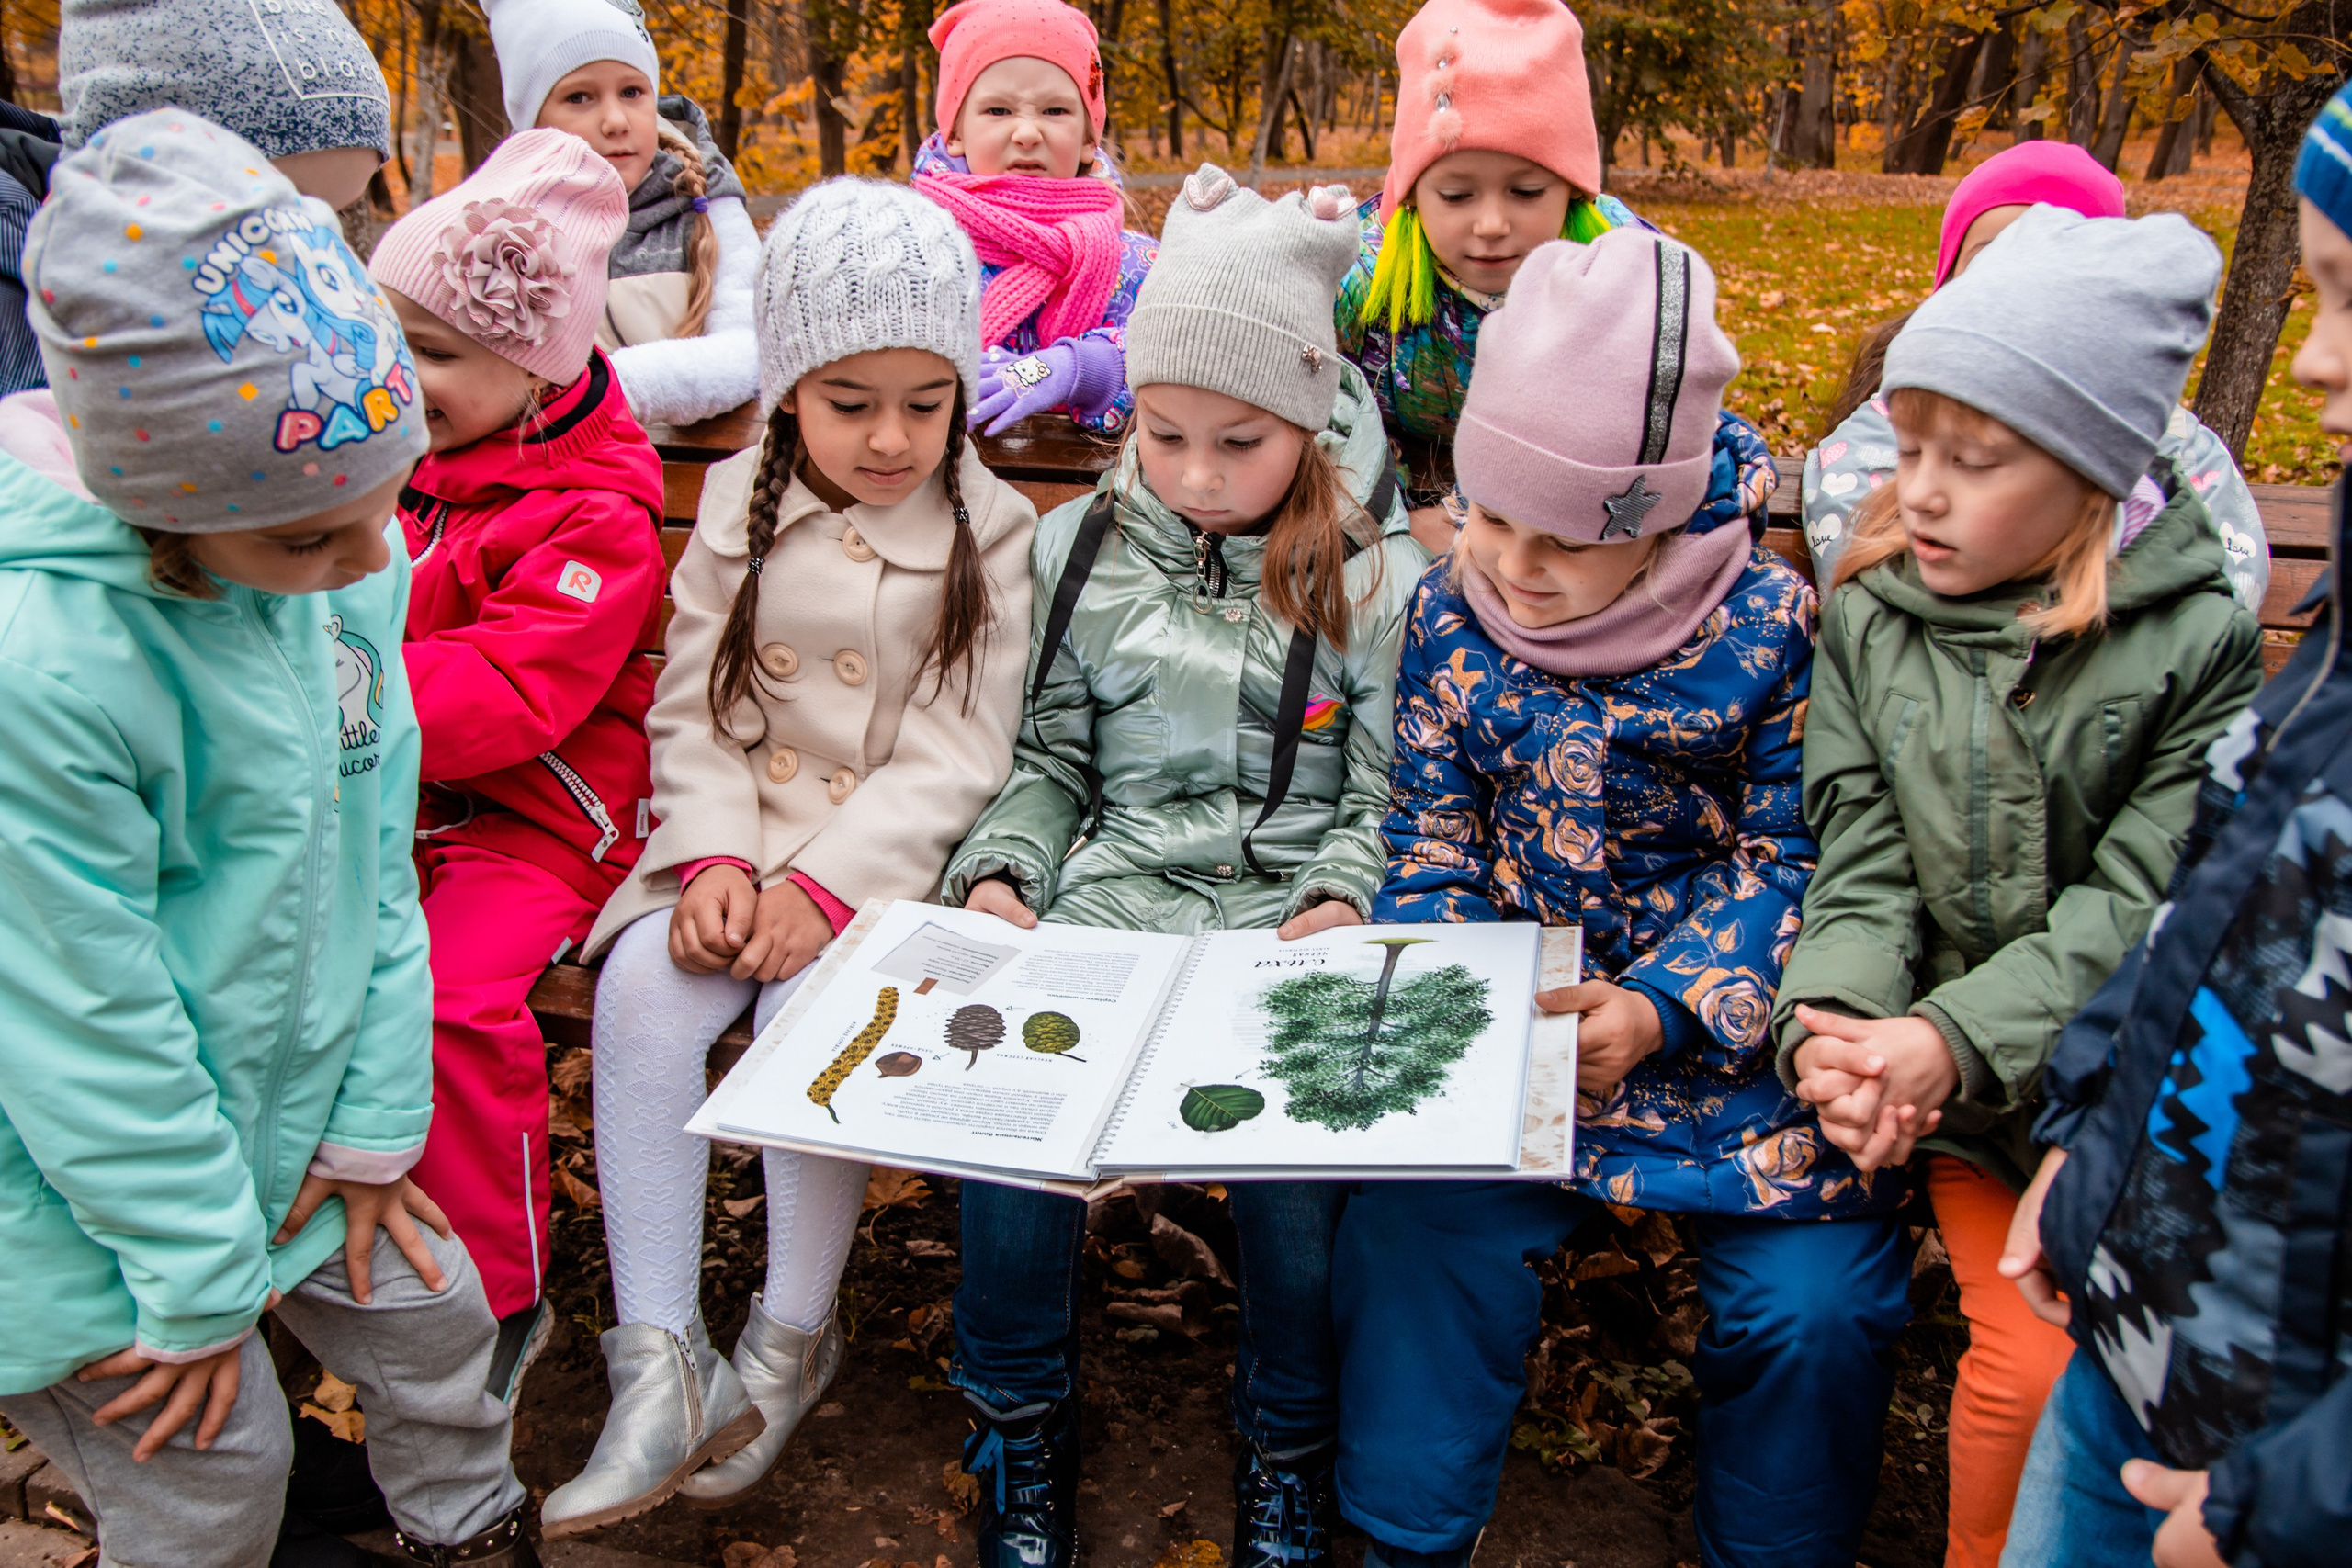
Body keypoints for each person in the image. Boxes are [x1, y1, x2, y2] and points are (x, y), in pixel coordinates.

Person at [0, 110, 537, 1568]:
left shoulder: (331, 565)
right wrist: (190, 1280)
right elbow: (79, 1018)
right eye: (315, 538)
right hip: (97, 1198)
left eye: (386, 511)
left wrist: (373, 1119)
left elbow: (373, 859)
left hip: (293, 1122)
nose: (373, 565)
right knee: (214, 1456)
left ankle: (468, 1533)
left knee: (437, 1316)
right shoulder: (47, 673)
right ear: (155, 512)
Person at [1333, 227, 1905, 1568]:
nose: (1510, 563)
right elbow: (1427, 827)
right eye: (1485, 514)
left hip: (1724, 1041)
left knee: (1815, 1305)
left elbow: (1796, 856)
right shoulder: (1450, 615)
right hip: (1514, 1021)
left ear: (1654, 526)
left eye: (1561, 538)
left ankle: (1770, 1545)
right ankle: (1407, 1530)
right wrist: (1478, 981)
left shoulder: (1771, 628)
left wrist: (1659, 1008)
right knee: (1417, 1235)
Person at [941, 164, 1426, 1568]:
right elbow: (1047, 759)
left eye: (1242, 442)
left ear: (1311, 422)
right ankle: (1018, 1408)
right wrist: (1007, 872)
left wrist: (1344, 892)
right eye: (1166, 436)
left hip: (1286, 916)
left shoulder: (1368, 574)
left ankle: (1287, 1436)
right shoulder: (1080, 547)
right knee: (1013, 1123)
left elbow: (1379, 788)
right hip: (1118, 893)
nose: (1201, 475)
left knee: (1290, 1176)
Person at [1772, 206, 2267, 1568]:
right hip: (1924, 1075)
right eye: (1908, 443)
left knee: (2050, 1368)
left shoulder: (2197, 645)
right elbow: (1860, 848)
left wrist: (1949, 1038)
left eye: (1971, 460)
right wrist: (1841, 1026)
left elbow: (2139, 901)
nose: (1916, 489)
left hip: (2099, 1093)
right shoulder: (1872, 613)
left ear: (2093, 473)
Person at [542, 177, 1038, 1538]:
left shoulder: (989, 532)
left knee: (807, 1014)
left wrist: (821, 886)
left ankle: (788, 1332)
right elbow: (692, 704)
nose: (890, 438)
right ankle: (656, 1352)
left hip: (873, 866)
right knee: (646, 990)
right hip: (728, 845)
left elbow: (957, 749)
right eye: (848, 400)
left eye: (925, 402)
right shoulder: (737, 502)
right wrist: (707, 854)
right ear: (790, 391)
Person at [1994, 86, 2352, 1568]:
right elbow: (2206, 910)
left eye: (2350, 303)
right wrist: (2091, 1125)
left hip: (2274, 1467)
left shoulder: (2196, 632)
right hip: (2140, 1338)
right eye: (2323, 293)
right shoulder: (2336, 645)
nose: (2315, 364)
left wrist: (2294, 1499)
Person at [364, 128, 663, 1389]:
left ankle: (498, 1288)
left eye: (433, 354)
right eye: (390, 340)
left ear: (538, 373)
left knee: (444, 993)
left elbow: (510, 692)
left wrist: (337, 687)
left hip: (550, 816)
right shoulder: (413, 463)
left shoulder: (597, 511)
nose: (400, 375)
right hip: (407, 794)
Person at [1804, 141, 2268, 616]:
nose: (2013, 286)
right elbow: (1855, 569)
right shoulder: (1889, 422)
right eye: (1989, 260)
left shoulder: (2175, 441)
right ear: (1945, 287)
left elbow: (2229, 583)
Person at [1336, 0, 1645, 550]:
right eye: (1455, 194)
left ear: (1574, 188)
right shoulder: (1358, 281)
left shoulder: (1630, 275)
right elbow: (1330, 423)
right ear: (1409, 196)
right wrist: (1401, 515)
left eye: (1527, 191)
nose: (1492, 224)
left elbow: (1662, 425)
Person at [486, 0, 762, 427]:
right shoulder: (498, 233)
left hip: (692, 474)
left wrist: (606, 391)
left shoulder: (705, 200)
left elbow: (749, 348)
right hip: (550, 478)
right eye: (579, 97)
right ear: (532, 124)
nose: (616, 121)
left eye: (632, 92)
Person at [911, 0, 1159, 437]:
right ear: (954, 132)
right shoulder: (912, 253)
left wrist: (1086, 368)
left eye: (1055, 111)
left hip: (1091, 498)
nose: (1027, 133)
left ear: (1087, 138)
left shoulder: (1140, 267)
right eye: (998, 111)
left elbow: (1193, 361)